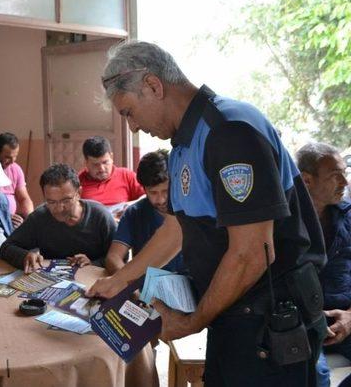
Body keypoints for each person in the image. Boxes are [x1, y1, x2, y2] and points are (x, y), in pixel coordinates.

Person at [87, 41, 327, 386]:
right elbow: (176, 229)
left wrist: (191, 322)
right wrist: (120, 279)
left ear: (153, 86)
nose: (133, 127)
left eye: (128, 112)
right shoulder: (185, 142)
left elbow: (252, 253)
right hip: (233, 315)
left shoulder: (229, 131)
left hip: (269, 324)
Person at [296, 142, 351, 386]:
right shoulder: (283, 222)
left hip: (346, 319)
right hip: (301, 325)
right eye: (334, 176)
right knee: (316, 376)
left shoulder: (348, 216)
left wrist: (350, 316)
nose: (345, 183)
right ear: (307, 180)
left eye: (344, 174)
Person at [0, 163, 116, 273]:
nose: (59, 209)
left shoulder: (100, 216)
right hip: (53, 283)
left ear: (79, 193)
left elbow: (120, 257)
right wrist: (24, 256)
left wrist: (94, 264)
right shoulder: (39, 218)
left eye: (66, 200)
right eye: (51, 202)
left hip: (93, 280)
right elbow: (6, 248)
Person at [105, 149, 184, 275]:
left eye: (165, 191)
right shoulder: (134, 213)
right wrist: (128, 286)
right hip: (147, 287)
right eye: (153, 193)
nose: (161, 200)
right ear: (144, 189)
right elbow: (113, 258)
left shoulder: (189, 209)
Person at [78, 136, 144, 213]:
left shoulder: (126, 175)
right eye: (95, 164)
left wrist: (131, 207)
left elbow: (147, 197)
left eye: (105, 162)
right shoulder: (77, 181)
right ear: (86, 163)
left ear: (111, 157)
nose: (101, 169)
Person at [0, 132, 34, 227]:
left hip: (13, 222)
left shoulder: (15, 168)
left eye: (15, 156)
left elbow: (24, 199)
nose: (12, 161)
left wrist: (29, 219)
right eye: (7, 157)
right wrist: (5, 216)